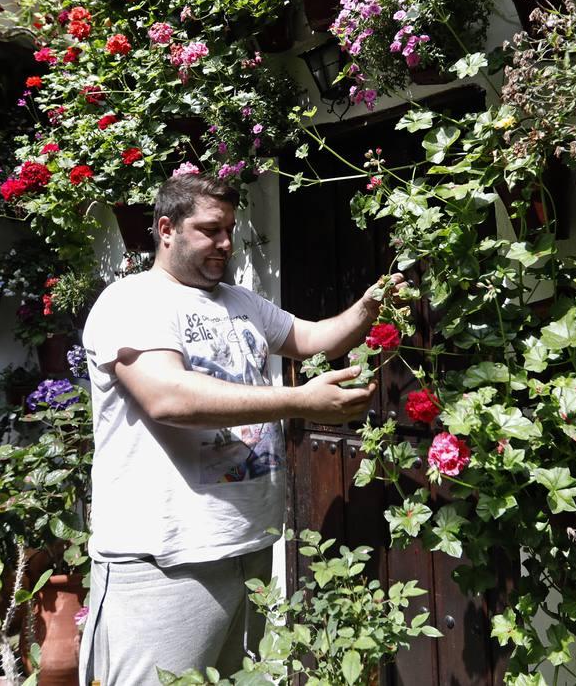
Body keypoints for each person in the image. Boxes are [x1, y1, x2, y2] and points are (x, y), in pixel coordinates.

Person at [77, 173, 401, 686]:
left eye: (230, 229)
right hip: (164, 557)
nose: (226, 244)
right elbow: (167, 397)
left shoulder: (241, 302)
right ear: (167, 229)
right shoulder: (132, 302)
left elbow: (313, 338)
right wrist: (300, 401)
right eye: (210, 230)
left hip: (244, 546)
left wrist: (369, 303)